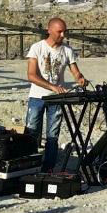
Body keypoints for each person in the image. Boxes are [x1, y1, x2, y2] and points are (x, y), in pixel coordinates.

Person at [25, 17, 86, 172]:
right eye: (59, 32)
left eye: (64, 31)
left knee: (53, 135)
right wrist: (52, 87)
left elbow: (75, 72)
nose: (63, 35)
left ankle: (48, 168)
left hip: (57, 98)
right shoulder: (37, 48)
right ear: (50, 30)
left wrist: (80, 78)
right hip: (37, 96)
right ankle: (29, 164)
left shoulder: (67, 50)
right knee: (31, 132)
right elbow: (31, 75)